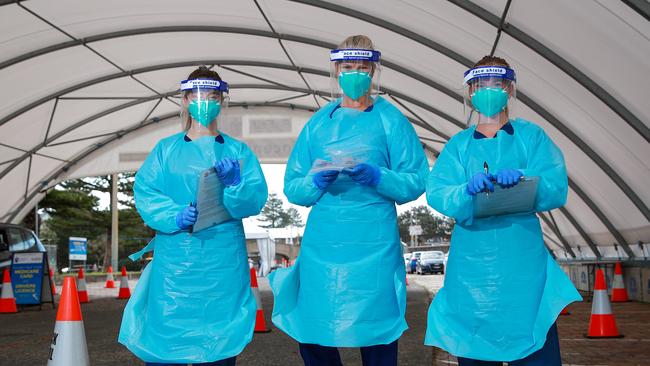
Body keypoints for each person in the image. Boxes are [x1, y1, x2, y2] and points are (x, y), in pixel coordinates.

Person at [269, 35, 429, 366]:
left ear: (373, 71)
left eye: (362, 68)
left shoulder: (391, 119)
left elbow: (416, 179)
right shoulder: (318, 124)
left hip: (374, 242)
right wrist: (315, 181)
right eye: (347, 67)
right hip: (324, 243)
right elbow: (294, 187)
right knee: (314, 328)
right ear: (336, 70)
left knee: (377, 329)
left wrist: (379, 176)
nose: (355, 74)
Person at [424, 56, 581, 365]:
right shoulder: (459, 146)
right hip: (472, 270)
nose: (489, 92)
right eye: (482, 86)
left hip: (522, 264)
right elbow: (438, 192)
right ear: (470, 92)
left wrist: (524, 180)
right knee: (475, 347)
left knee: (535, 342)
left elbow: (555, 186)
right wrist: (465, 189)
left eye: (497, 85)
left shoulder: (531, 137)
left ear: (509, 89)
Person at [118, 66, 268, 365]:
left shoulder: (238, 151)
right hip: (177, 265)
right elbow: (147, 192)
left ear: (222, 100)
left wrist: (236, 184)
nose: (206, 102)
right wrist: (175, 215)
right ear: (185, 99)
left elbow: (253, 200)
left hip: (222, 262)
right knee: (167, 340)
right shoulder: (165, 150)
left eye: (213, 95)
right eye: (199, 95)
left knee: (220, 343)